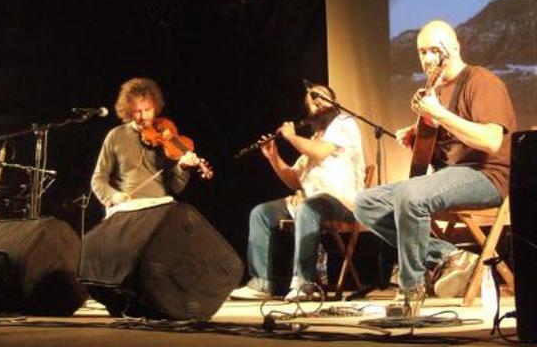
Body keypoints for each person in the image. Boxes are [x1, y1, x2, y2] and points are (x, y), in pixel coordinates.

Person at [354, 19, 516, 316]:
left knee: (412, 195)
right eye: (421, 52)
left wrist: (439, 115)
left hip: (487, 176)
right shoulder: (436, 90)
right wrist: (417, 133)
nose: (427, 58)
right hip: (450, 176)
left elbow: (492, 141)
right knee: (366, 203)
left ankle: (410, 292)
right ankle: (451, 256)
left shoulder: (481, 80)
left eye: (433, 50)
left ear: (454, 47)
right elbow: (446, 136)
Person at [230, 83, 366, 301]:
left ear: (334, 101)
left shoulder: (344, 123)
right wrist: (273, 157)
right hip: (310, 203)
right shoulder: (313, 139)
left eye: (321, 96)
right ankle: (261, 283)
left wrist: (292, 138)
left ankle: (304, 283)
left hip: (342, 202)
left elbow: (321, 153)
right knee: (261, 213)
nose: (316, 101)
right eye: (312, 100)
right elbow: (294, 179)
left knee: (308, 207)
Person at [90, 77, 206, 210]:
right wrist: (114, 196)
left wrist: (182, 168)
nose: (144, 116)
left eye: (147, 110)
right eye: (138, 111)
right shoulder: (116, 135)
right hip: (126, 208)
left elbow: (175, 187)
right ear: (128, 111)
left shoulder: (165, 135)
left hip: (158, 208)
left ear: (155, 108)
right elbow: (98, 179)